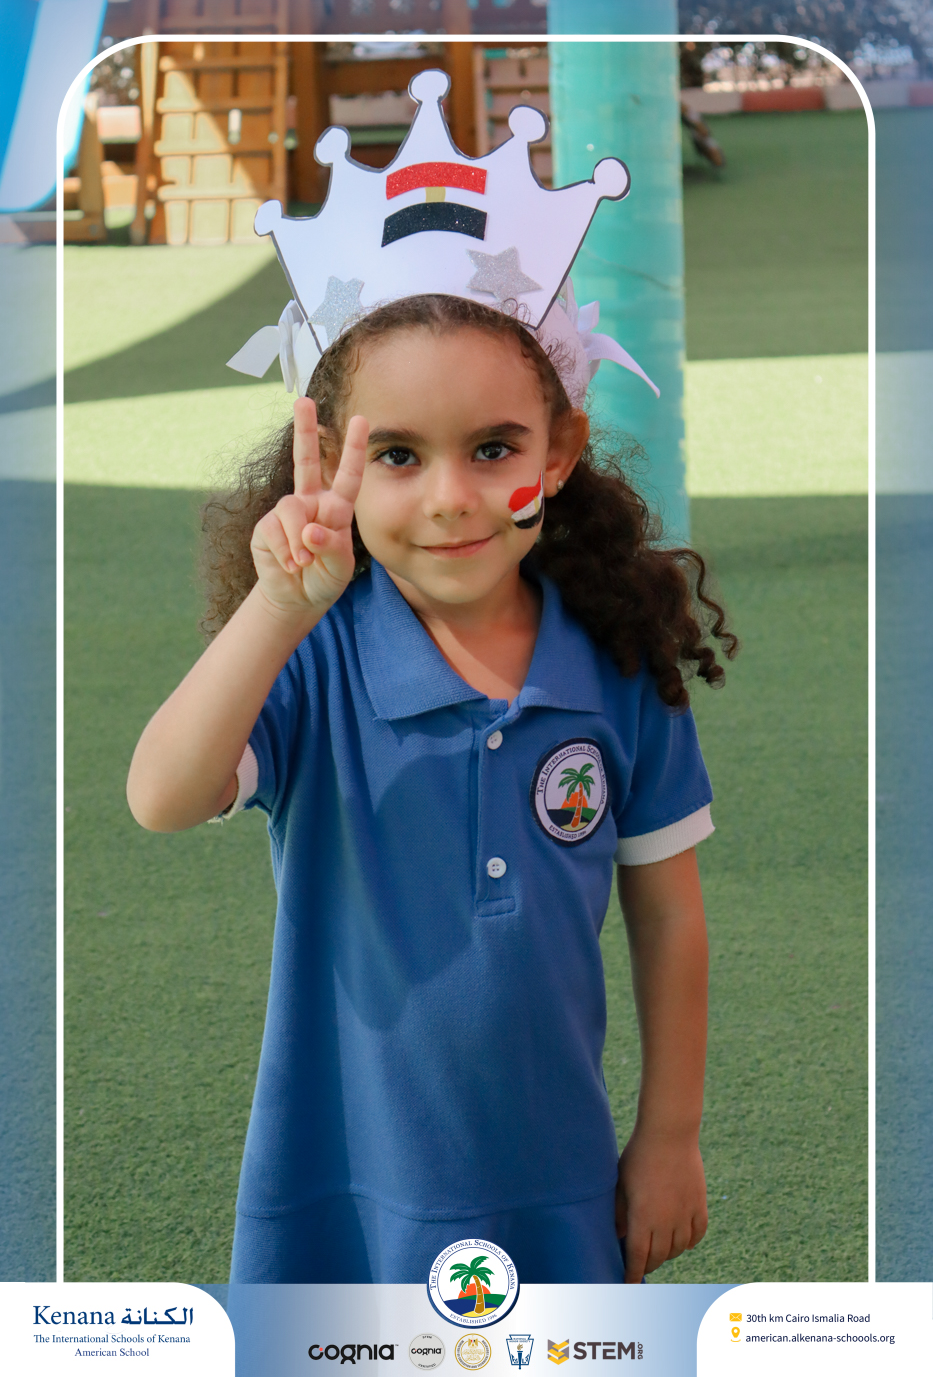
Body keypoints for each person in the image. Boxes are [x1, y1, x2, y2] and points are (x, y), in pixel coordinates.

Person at [127, 291, 736, 1287]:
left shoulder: (622, 663)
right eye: (399, 455)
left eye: (493, 448)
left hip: (557, 1181)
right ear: (333, 464)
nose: (450, 496)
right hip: (337, 1189)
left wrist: (670, 1137)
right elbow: (161, 796)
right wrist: (277, 608)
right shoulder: (312, 658)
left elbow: (669, 918)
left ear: (559, 453)